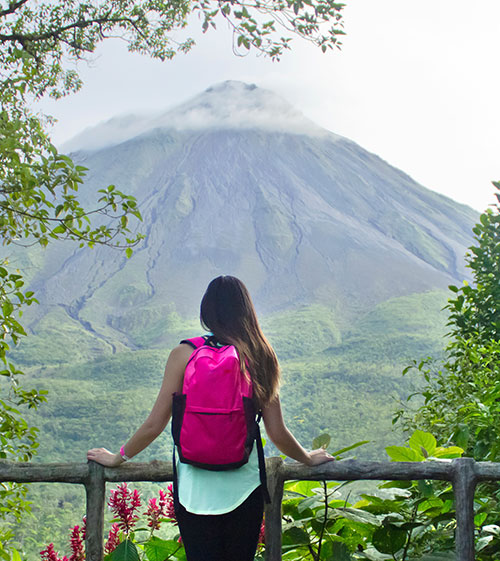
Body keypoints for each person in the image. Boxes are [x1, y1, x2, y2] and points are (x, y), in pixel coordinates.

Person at [88, 275, 334, 561]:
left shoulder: (183, 354)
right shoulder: (260, 355)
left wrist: (118, 457)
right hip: (244, 488)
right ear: (247, 311)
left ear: (206, 312)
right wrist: (307, 457)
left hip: (194, 491)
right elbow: (277, 432)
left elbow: (155, 424)